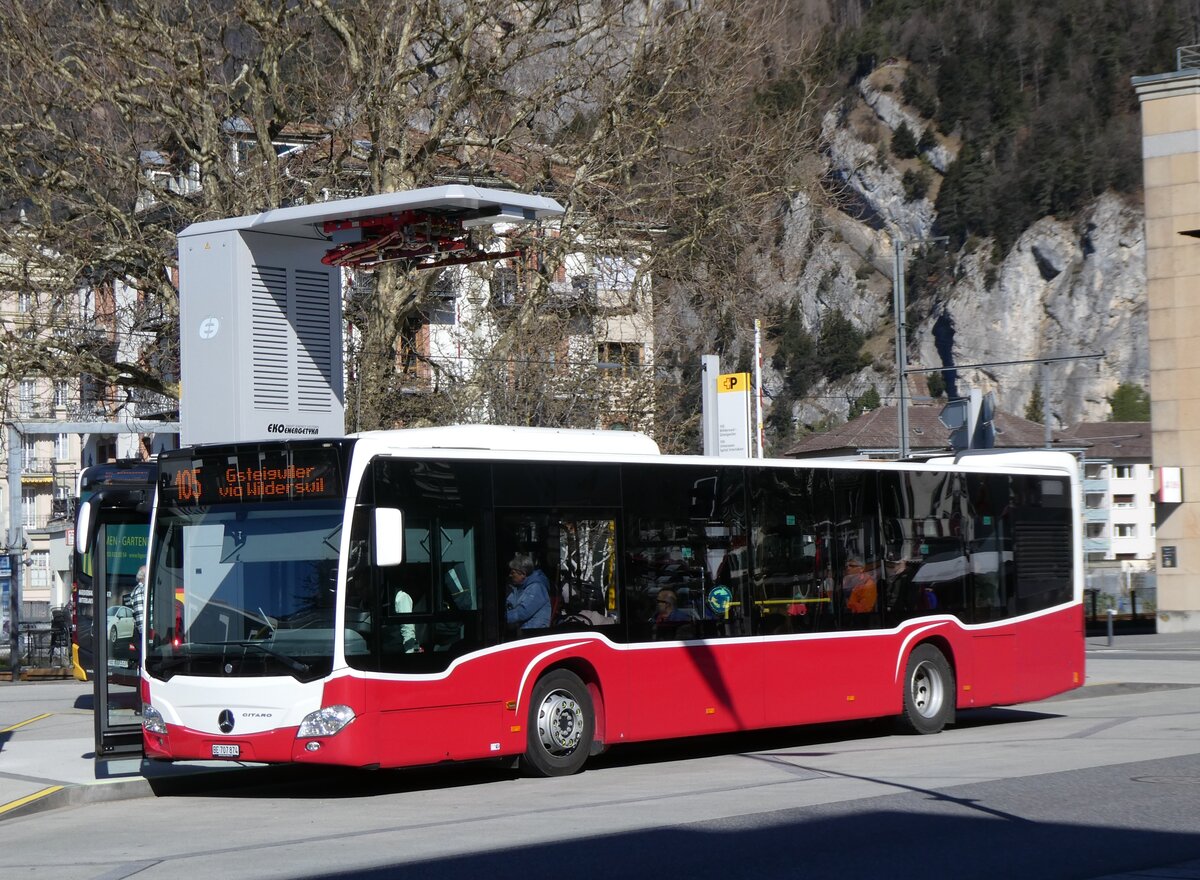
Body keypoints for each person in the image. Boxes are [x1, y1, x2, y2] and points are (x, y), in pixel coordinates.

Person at [506, 554, 551, 632]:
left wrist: (501, 619)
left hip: (533, 633)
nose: (510, 575)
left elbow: (522, 612)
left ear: (523, 573)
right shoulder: (520, 587)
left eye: (513, 573)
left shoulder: (537, 587)